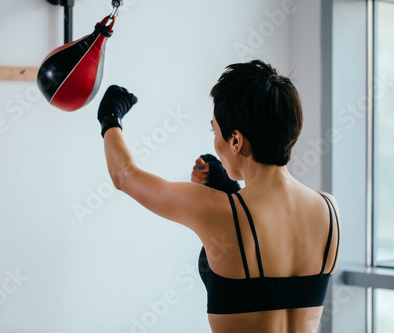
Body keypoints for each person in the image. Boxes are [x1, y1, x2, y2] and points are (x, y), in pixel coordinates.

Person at [97, 60, 340, 333]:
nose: (215, 140)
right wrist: (230, 190)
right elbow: (276, 290)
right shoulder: (329, 210)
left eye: (215, 131)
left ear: (236, 141)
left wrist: (110, 118)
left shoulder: (218, 211)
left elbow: (124, 175)